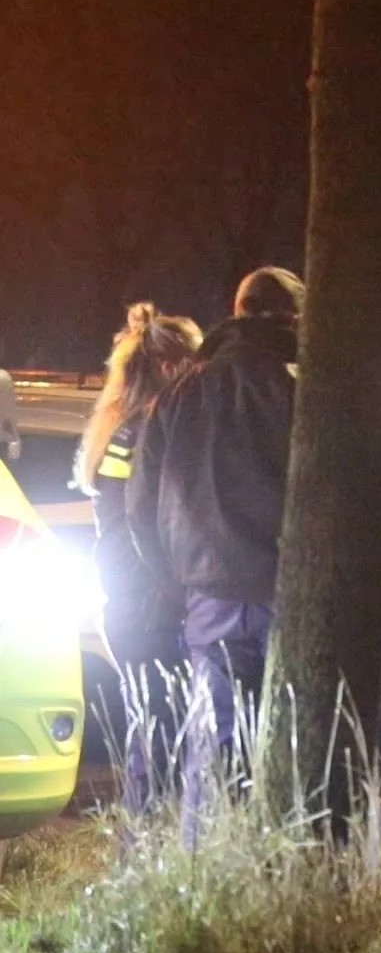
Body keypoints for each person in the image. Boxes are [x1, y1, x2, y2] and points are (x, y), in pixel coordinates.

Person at [128, 267, 302, 821]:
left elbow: (141, 503)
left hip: (207, 592)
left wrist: (170, 576)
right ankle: (279, 866)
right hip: (285, 587)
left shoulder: (182, 390)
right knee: (289, 739)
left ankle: (207, 866)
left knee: (215, 740)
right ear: (295, 318)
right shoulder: (301, 386)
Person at [75, 303, 201, 811]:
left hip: (131, 601)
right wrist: (169, 585)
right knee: (159, 733)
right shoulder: (146, 431)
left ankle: (146, 845)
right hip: (147, 602)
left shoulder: (124, 428)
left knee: (153, 729)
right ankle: (148, 847)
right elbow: (140, 519)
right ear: (172, 368)